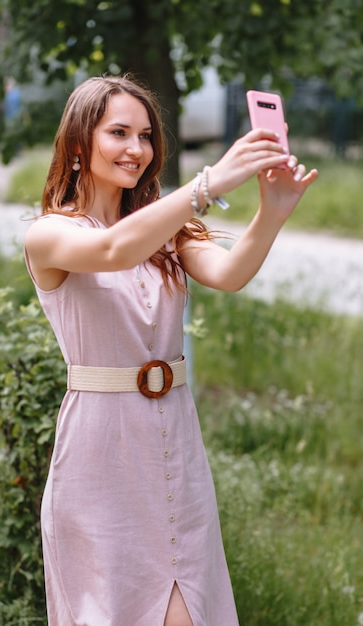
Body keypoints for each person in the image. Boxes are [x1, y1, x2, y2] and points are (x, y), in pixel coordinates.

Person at [24, 74, 318, 626]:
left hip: (175, 442)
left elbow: (228, 273)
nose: (137, 149)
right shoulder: (50, 234)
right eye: (118, 133)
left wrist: (272, 211)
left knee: (187, 612)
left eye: (145, 136)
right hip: (100, 454)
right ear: (79, 143)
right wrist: (207, 185)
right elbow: (112, 249)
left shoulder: (166, 232)